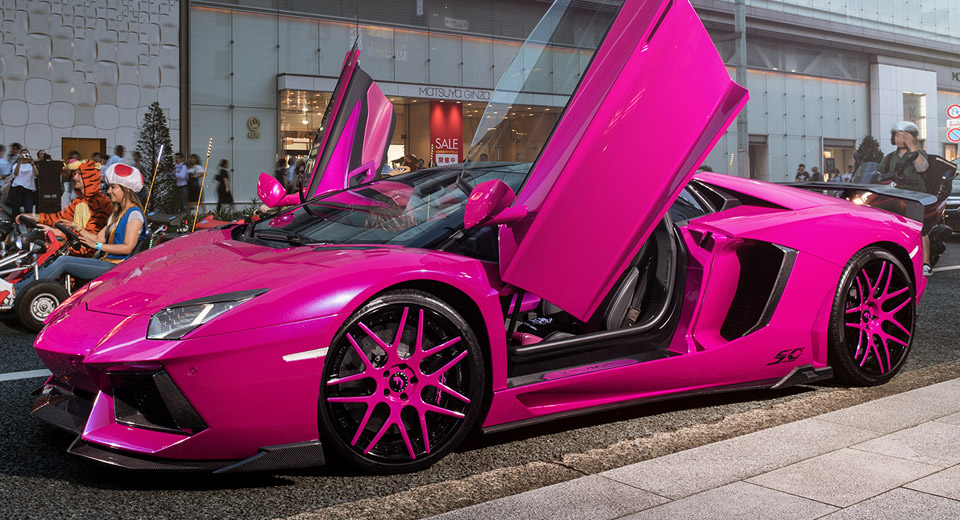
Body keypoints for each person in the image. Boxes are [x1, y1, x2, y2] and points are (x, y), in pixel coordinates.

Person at [12, 163, 146, 294]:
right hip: (107, 262)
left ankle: (17, 291)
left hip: (117, 266)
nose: (109, 191)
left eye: (113, 187)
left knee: (64, 261)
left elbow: (127, 247)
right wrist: (77, 228)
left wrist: (97, 246)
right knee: (57, 256)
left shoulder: (134, 214)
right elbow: (98, 238)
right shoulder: (118, 214)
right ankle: (20, 285)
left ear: (126, 189)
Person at [17, 156, 113, 256]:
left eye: (78, 174)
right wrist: (34, 217)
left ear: (88, 176)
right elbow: (59, 218)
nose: (74, 177)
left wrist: (58, 233)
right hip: (74, 247)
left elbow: (90, 240)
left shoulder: (100, 203)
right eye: (73, 174)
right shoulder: (78, 202)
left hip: (86, 253)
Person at [879, 121, 932, 274]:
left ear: (912, 137)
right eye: (897, 135)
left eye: (904, 135)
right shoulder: (889, 158)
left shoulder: (919, 154)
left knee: (916, 225)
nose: (900, 138)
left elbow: (923, 167)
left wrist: (912, 148)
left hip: (914, 194)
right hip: (891, 194)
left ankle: (925, 263)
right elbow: (876, 173)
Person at [9, 148, 37, 215]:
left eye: (26, 153)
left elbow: (36, 174)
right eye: (23, 153)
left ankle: (28, 224)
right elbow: (15, 173)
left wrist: (32, 163)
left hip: (28, 189)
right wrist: (19, 161)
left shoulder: (31, 166)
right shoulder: (15, 165)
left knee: (28, 209)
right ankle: (15, 222)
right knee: (15, 208)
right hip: (17, 188)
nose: (25, 155)